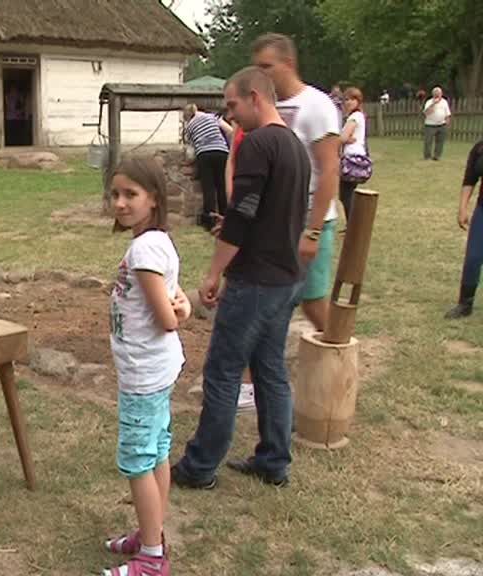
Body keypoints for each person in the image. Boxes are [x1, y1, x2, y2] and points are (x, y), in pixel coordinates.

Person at [171, 66, 310, 491]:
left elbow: (243, 216)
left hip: (258, 281)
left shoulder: (258, 144)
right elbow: (270, 213)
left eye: (232, 105)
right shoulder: (294, 146)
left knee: (223, 371)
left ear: (255, 96)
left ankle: (199, 467)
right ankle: (273, 460)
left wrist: (215, 272)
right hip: (287, 277)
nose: (229, 116)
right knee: (270, 369)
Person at [100, 154, 190, 576]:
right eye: (115, 193)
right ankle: (150, 530)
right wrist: (182, 305)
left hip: (144, 375)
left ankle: (152, 558)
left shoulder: (143, 248)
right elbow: (176, 298)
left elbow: (166, 318)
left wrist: (177, 311)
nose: (120, 202)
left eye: (130, 194)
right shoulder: (158, 241)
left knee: (138, 460)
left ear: (153, 199)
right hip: (157, 370)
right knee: (156, 453)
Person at [252, 33, 341, 333]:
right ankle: (257, 375)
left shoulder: (318, 106)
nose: (260, 75)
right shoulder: (267, 106)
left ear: (288, 64)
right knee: (272, 298)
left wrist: (313, 232)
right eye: (257, 68)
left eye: (266, 67)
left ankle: (339, 357)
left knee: (312, 300)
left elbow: (329, 171)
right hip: (277, 221)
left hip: (309, 219)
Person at [444, 139, 483, 319]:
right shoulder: (479, 148)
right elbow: (470, 178)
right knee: (474, 256)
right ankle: (465, 303)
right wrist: (462, 208)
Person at [184, 104, 231, 229]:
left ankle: (210, 221)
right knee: (222, 186)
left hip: (204, 154)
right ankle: (225, 217)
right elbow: (229, 130)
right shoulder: (212, 117)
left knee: (208, 188)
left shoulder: (188, 127)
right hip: (222, 152)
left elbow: (190, 150)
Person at [339, 87, 369, 221]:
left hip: (352, 158)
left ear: (358, 101)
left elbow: (343, 137)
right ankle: (351, 223)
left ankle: (353, 224)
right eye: (346, 99)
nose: (348, 102)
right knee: (347, 193)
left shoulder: (354, 116)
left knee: (346, 194)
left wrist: (344, 138)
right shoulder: (358, 116)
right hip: (355, 154)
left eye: (352, 99)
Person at [423, 86, 452, 161]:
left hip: (442, 124)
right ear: (433, 94)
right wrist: (433, 104)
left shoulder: (444, 102)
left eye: (439, 93)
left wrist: (447, 123)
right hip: (430, 125)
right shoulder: (429, 102)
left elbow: (447, 114)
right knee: (428, 141)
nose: (437, 95)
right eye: (436, 94)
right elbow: (426, 113)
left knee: (440, 141)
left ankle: (437, 156)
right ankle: (427, 156)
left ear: (441, 94)